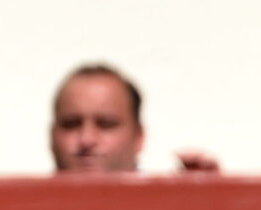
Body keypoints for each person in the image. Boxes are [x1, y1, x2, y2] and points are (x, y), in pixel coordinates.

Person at [47, 63, 220, 174]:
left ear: (139, 136)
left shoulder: (173, 209)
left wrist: (209, 206)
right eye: (71, 124)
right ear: (51, 135)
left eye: (106, 124)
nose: (87, 139)